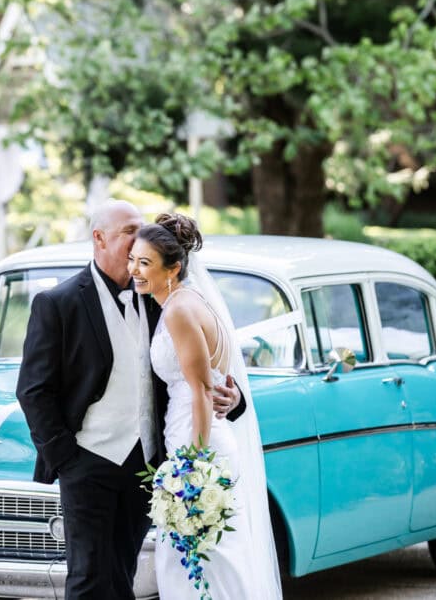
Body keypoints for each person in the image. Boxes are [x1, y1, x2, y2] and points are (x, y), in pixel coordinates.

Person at [15, 199, 244, 600]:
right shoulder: (58, 303)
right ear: (99, 239)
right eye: (127, 231)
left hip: (147, 463)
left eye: (140, 230)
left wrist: (233, 395)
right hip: (87, 461)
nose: (137, 239)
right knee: (87, 577)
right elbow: (33, 389)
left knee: (124, 575)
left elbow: (205, 357)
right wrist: (66, 458)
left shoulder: (161, 296)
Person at [129, 213, 282, 599]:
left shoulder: (179, 310)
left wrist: (191, 468)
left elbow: (199, 391)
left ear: (173, 268)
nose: (133, 270)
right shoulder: (187, 301)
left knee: (201, 563)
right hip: (196, 437)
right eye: (133, 259)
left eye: (144, 263)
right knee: (209, 560)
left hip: (199, 447)